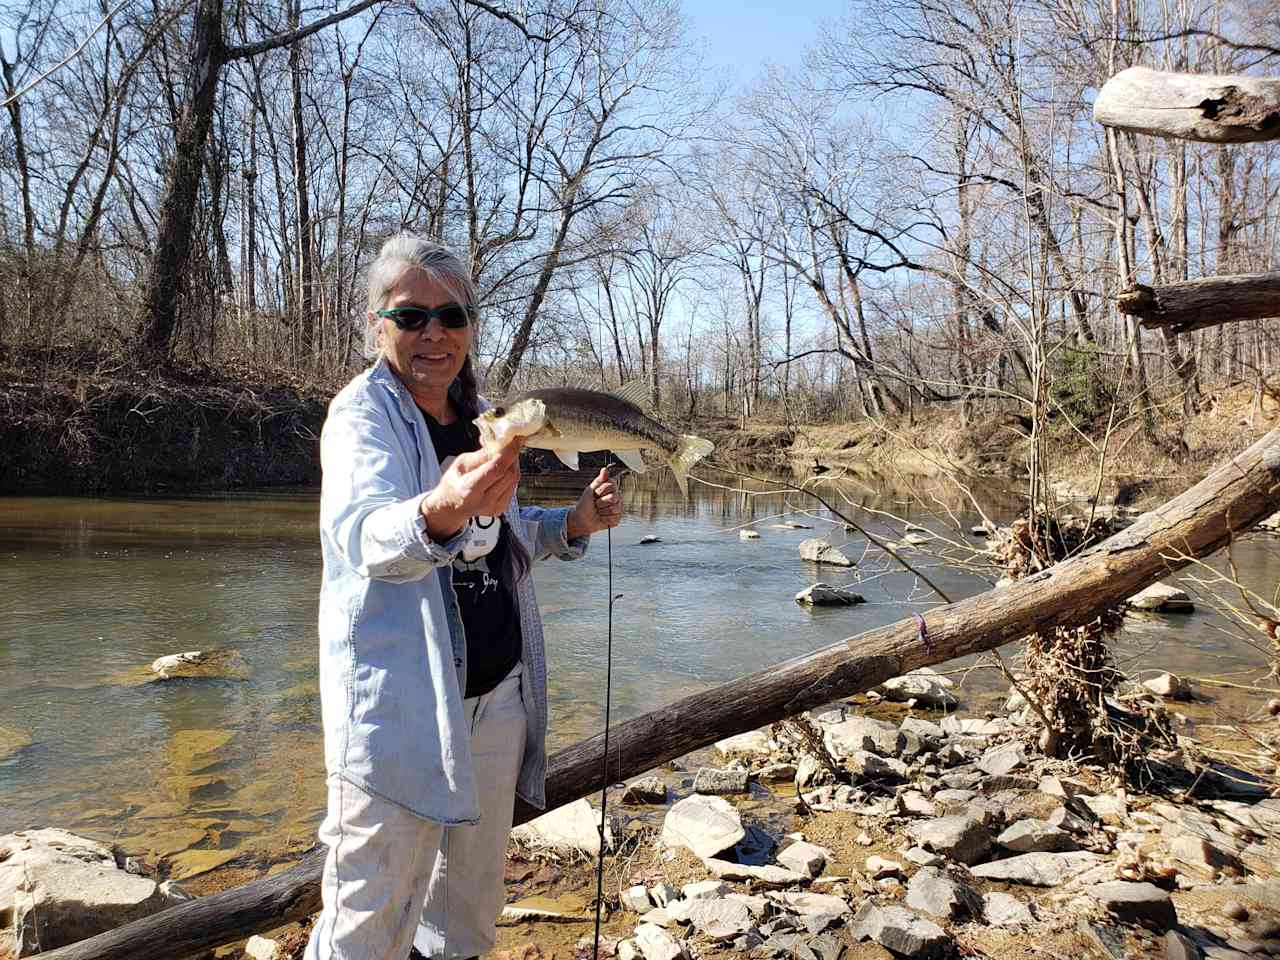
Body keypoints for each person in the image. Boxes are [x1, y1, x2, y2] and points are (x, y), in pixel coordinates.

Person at [306, 233, 622, 960]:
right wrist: (439, 507)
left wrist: (572, 522)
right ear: (375, 324)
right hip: (398, 710)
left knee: (467, 913)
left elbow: (500, 532)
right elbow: (365, 536)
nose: (433, 334)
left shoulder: (486, 413)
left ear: (472, 327)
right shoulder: (361, 418)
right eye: (411, 316)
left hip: (497, 698)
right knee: (369, 917)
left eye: (451, 316)